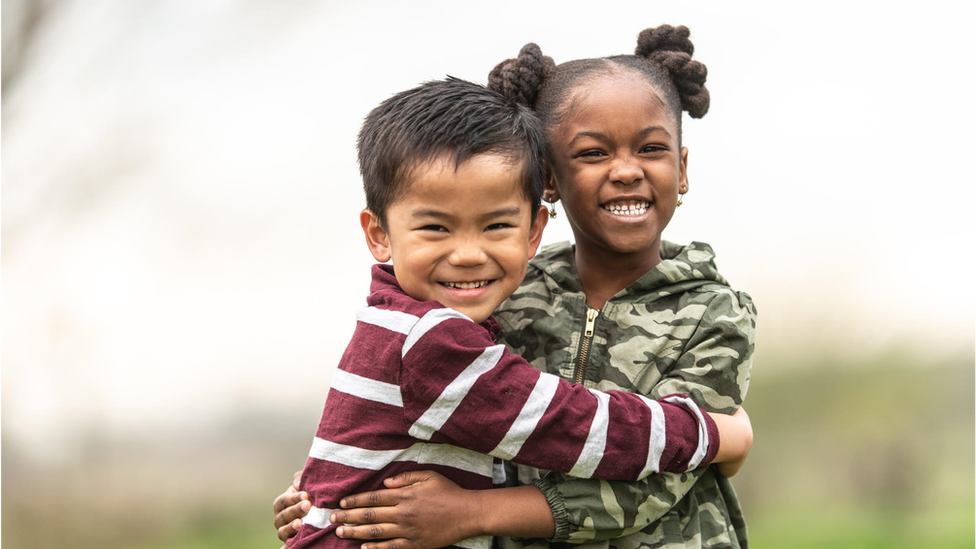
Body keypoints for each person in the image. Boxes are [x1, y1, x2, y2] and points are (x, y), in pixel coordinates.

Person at [283, 76, 754, 549]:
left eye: (651, 148)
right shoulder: (478, 305)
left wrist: (333, 493)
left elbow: (646, 489)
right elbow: (560, 424)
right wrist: (717, 436)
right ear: (550, 178)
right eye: (592, 153)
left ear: (531, 229)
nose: (468, 254)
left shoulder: (711, 310)